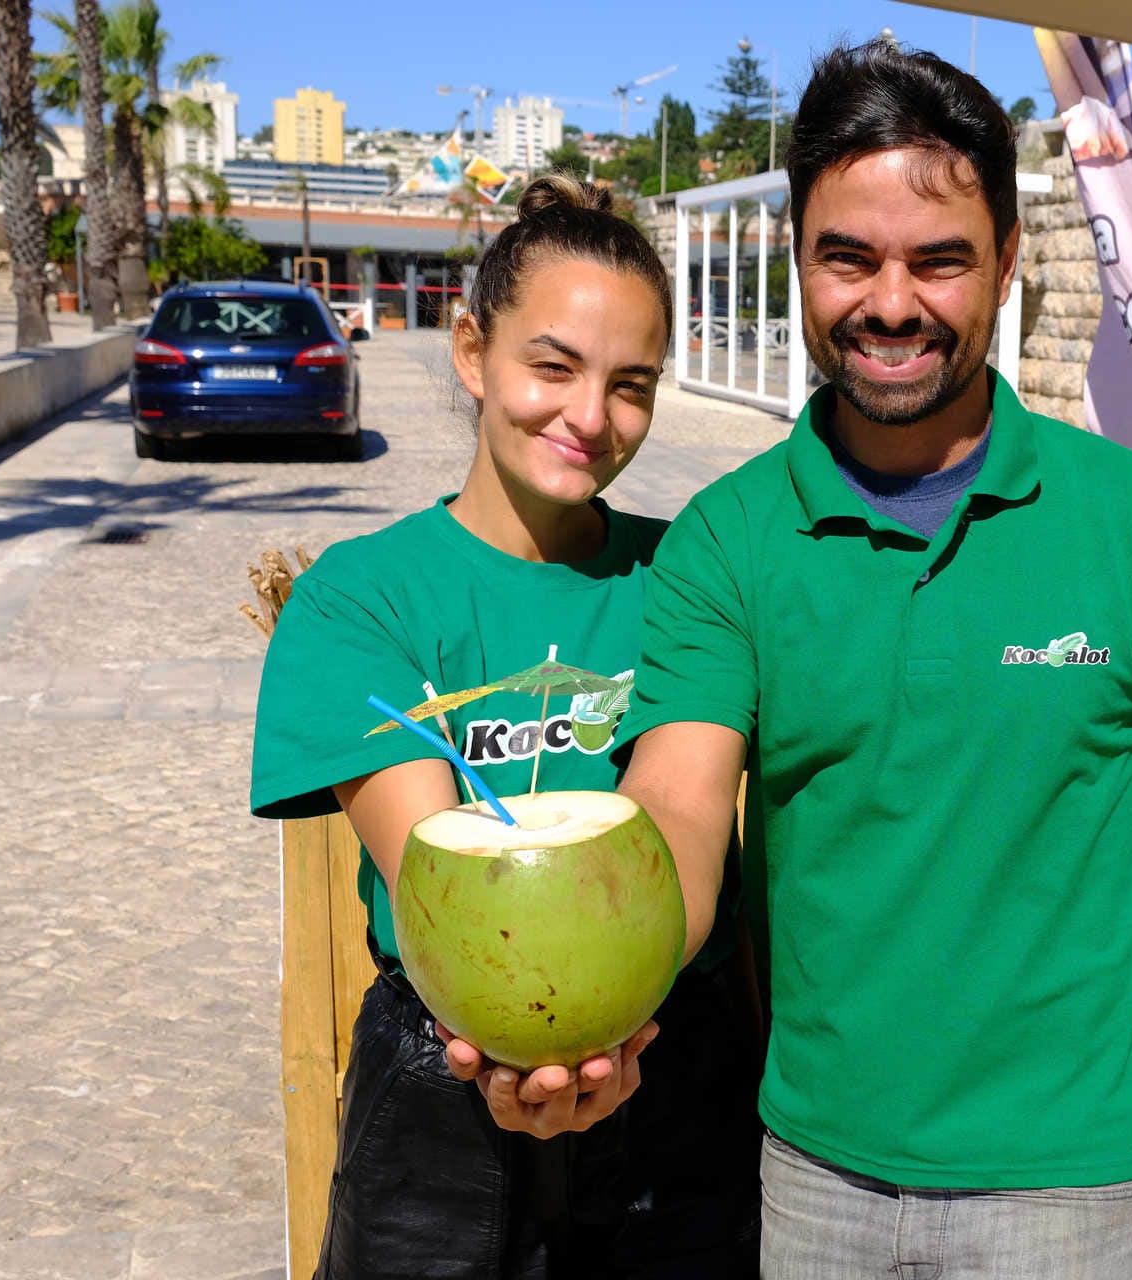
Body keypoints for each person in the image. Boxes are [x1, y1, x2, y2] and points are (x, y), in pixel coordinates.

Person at [609, 42, 1132, 1278]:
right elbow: (675, 802)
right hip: (819, 1167)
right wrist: (598, 987)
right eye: (850, 257)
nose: (892, 303)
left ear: (1005, 264)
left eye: (939, 259)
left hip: (1073, 1178)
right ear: (799, 260)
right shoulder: (729, 540)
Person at [250, 174, 761, 1279]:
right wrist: (528, 1043)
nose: (591, 417)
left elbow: (691, 812)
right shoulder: (361, 597)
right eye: (553, 367)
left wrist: (617, 1024)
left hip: (670, 1055)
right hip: (450, 1068)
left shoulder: (693, 574)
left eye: (632, 384)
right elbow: (436, 873)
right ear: (473, 352)